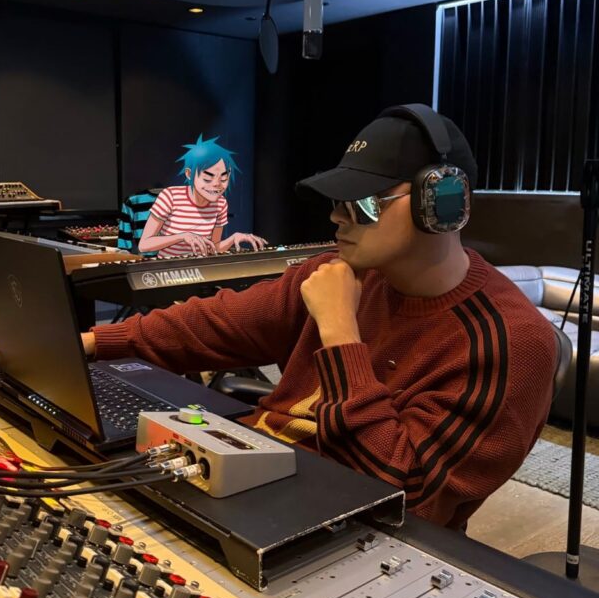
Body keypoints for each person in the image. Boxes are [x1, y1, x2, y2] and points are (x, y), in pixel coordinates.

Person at [83, 105, 557, 529]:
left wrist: (340, 333)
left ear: (442, 205)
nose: (337, 218)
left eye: (363, 205)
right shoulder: (336, 271)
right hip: (264, 479)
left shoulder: (512, 344)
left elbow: (406, 495)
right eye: (337, 202)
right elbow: (216, 323)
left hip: (356, 529)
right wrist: (93, 343)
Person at [137, 134, 266, 257]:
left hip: (200, 267)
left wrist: (233, 238)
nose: (216, 184)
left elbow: (214, 248)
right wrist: (182, 236)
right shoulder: (170, 196)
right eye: (207, 178)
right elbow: (144, 245)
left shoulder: (220, 203)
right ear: (189, 174)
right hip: (170, 268)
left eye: (223, 178)